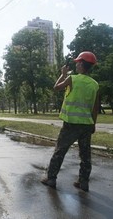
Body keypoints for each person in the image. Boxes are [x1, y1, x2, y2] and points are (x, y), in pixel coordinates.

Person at [41, 51, 99, 192]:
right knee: (85, 155)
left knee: (60, 151)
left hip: (71, 124)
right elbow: (96, 107)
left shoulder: (72, 79)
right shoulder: (95, 84)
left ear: (80, 64)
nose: (76, 64)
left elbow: (56, 88)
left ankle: (51, 178)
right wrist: (93, 124)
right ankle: (83, 182)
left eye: (77, 62)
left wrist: (63, 74)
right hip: (86, 125)